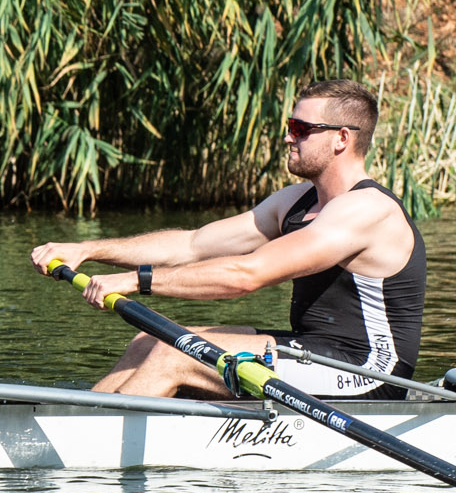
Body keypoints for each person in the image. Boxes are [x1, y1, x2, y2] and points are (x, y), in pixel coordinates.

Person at [28, 80, 427, 401]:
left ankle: (89, 456)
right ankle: (78, 424)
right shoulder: (295, 203)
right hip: (312, 350)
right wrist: (87, 250)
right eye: (290, 127)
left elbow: (246, 275)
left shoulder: (366, 210)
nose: (288, 138)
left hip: (367, 373)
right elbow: (193, 245)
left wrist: (137, 280)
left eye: (301, 130)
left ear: (342, 138)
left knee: (175, 352)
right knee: (152, 339)